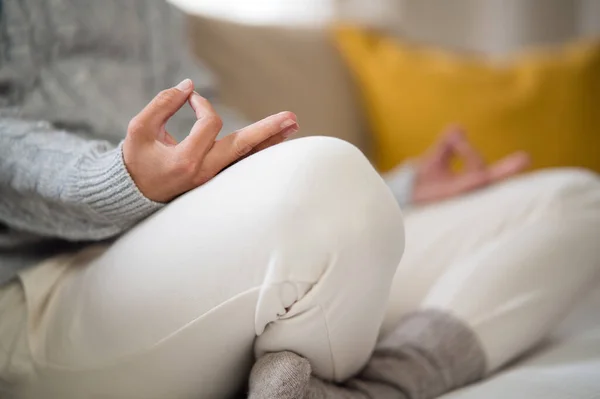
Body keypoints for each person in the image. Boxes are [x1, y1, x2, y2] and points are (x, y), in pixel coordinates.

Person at [1, 1, 599, 398]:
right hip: (44, 287)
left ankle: (377, 387)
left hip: (179, 247)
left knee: (576, 200)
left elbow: (205, 120)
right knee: (334, 171)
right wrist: (117, 179)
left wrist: (403, 191)